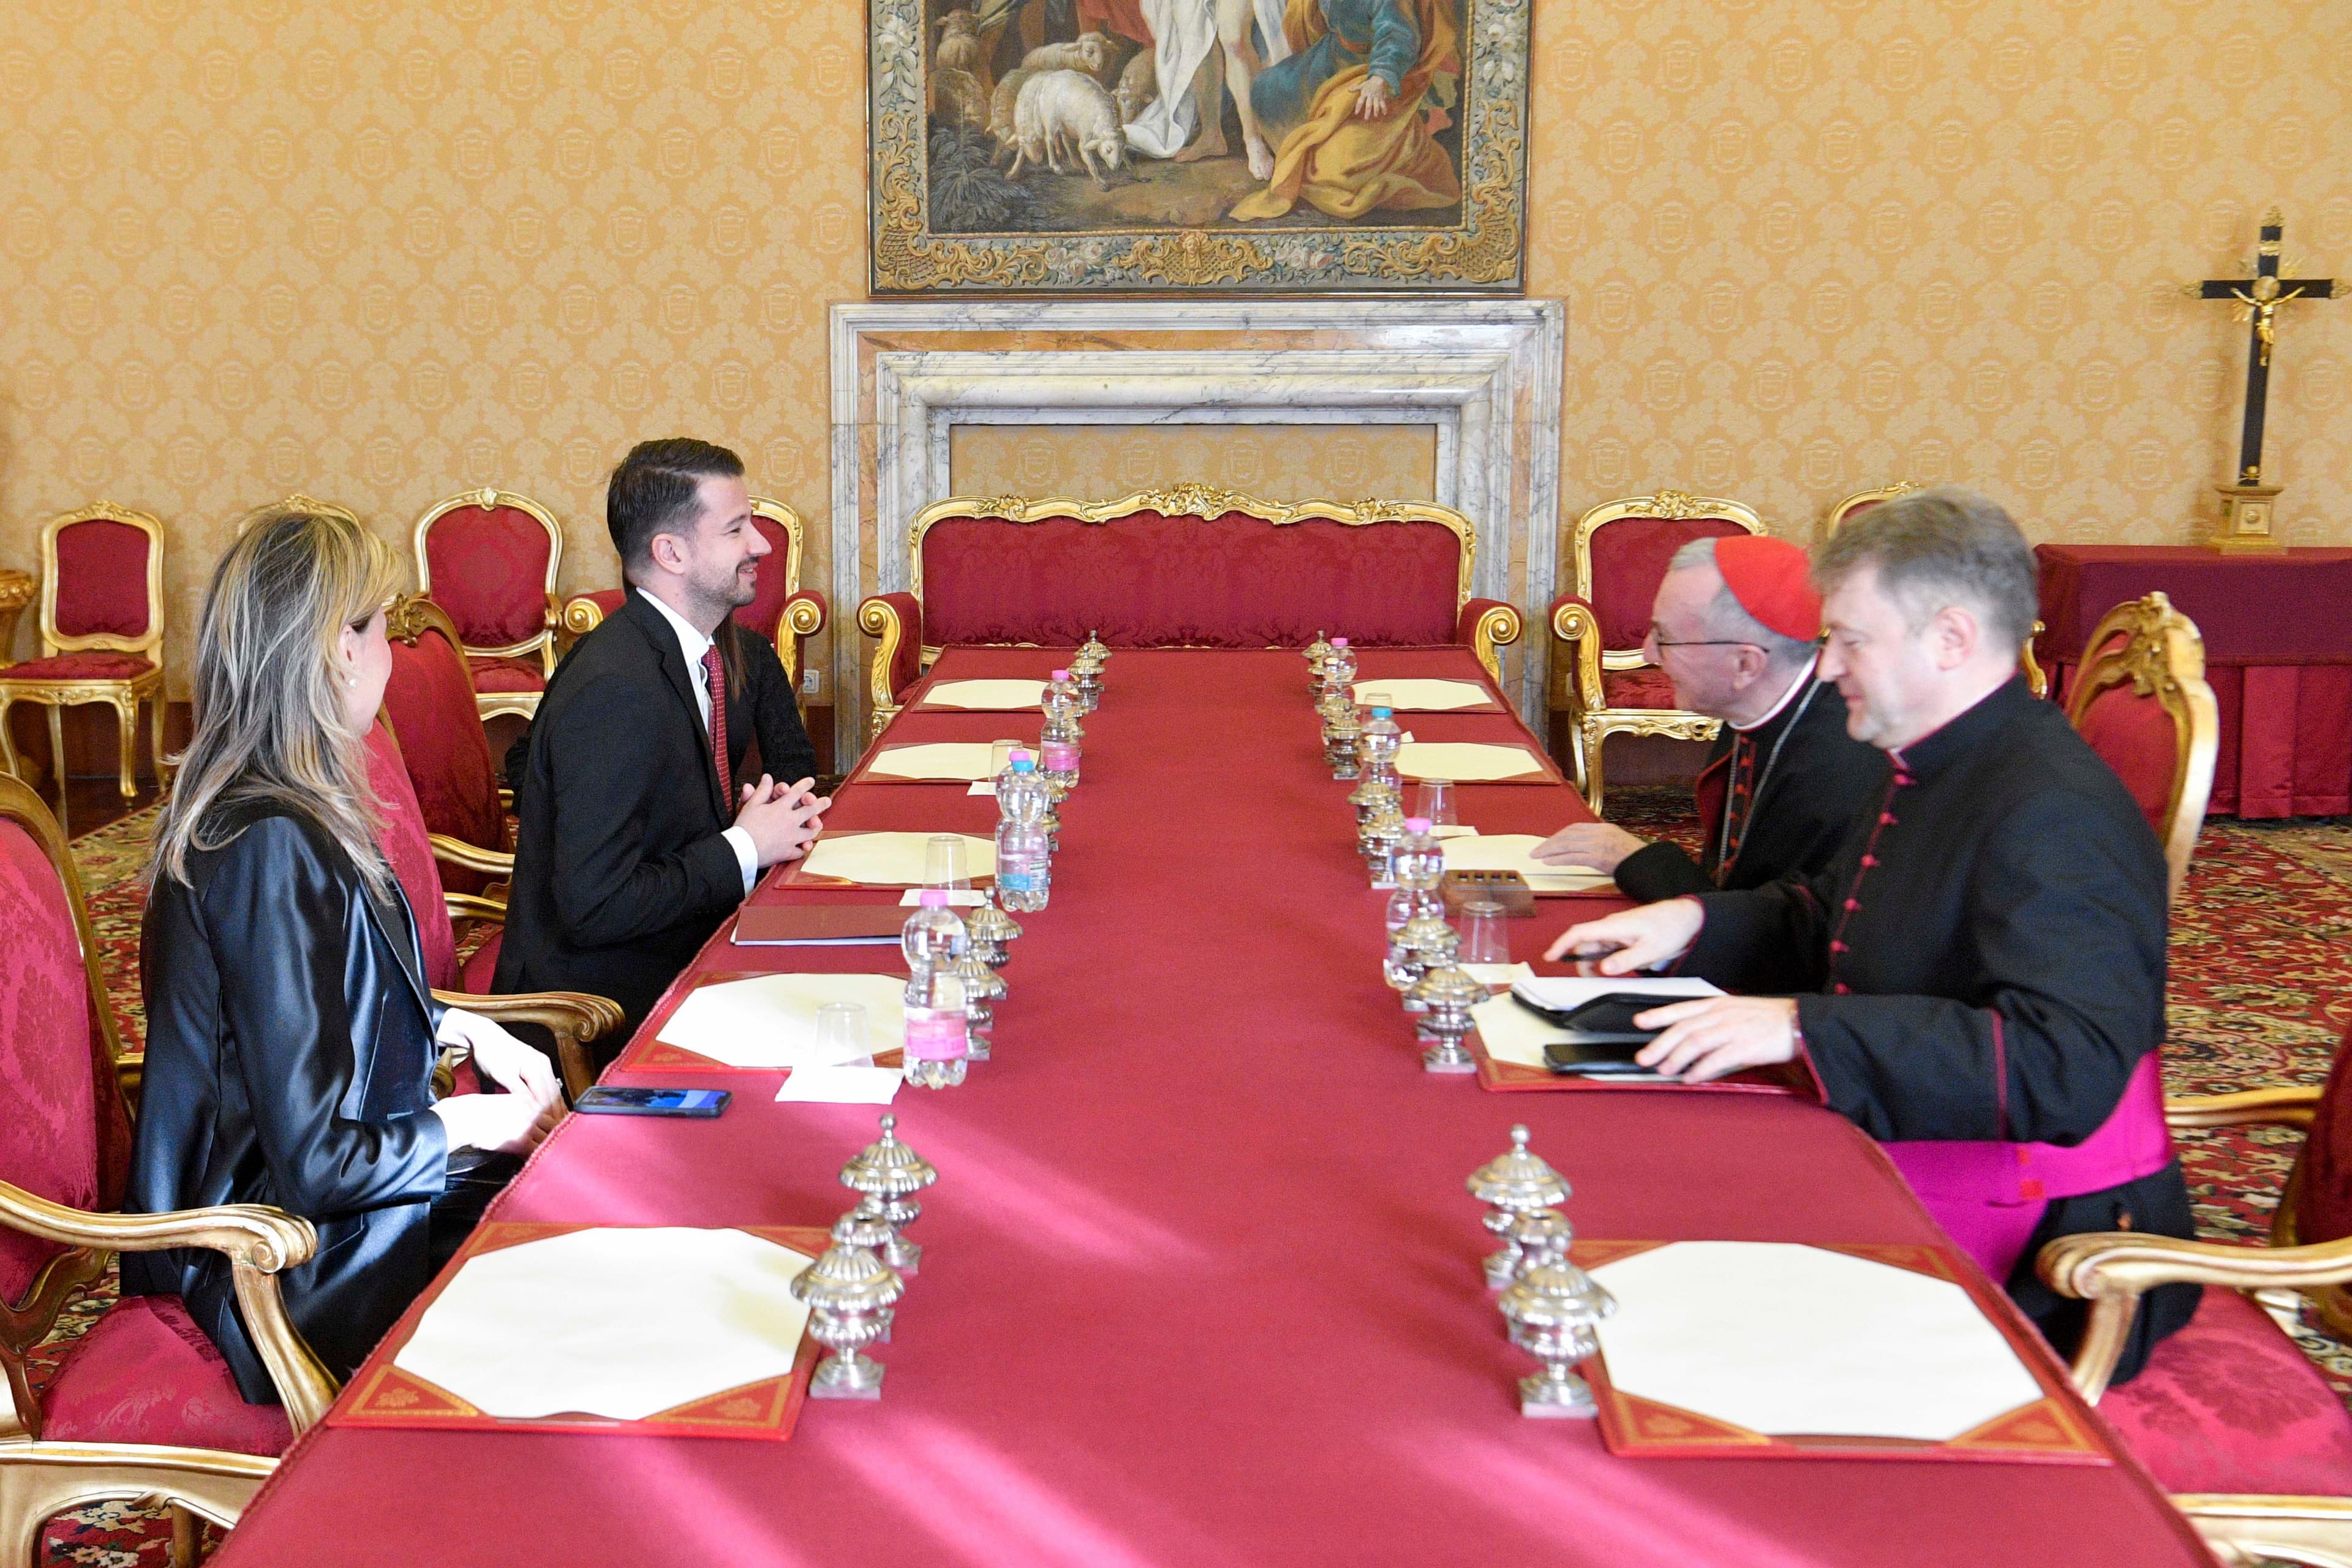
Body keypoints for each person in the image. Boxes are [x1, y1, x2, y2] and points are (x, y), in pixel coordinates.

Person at [1545, 488, 2196, 1384]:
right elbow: (1835, 911)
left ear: (1951, 638)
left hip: (2051, 1247)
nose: (1827, 664)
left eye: (1852, 640)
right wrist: (1692, 918)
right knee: (1625, 1186)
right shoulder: (1933, 759)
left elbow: (2063, 1065)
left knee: (1658, 1292)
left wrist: (1799, 1027)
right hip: (1931, 1145)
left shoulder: (2052, 807)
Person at [127, 510, 562, 1401]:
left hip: (320, 1217)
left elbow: (316, 1005)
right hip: (279, 1265)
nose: (392, 657)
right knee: (570, 1245)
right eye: (383, 629)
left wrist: (463, 1028)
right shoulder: (268, 842)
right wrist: (475, 1124)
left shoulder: (274, 808)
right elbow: (319, 1162)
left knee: (574, 1202)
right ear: (339, 648)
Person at [496, 439, 827, 1036]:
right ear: (671, 552)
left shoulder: (677, 652)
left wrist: (747, 824)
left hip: (673, 952)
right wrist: (744, 845)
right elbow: (595, 905)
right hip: (601, 1012)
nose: (761, 544)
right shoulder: (616, 686)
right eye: (736, 529)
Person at [1534, 534, 1884, 903]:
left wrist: (1638, 860)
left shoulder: (1838, 768)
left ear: (1746, 664)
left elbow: (1786, 927)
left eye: (1665, 638)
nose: (1649, 654)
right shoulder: (1751, 705)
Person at [1228, 0, 1461, 222]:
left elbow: (1398, 35)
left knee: (1338, 173)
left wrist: (1379, 77)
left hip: (1373, 76)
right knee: (1268, 89)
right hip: (1332, 60)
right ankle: (1304, 154)